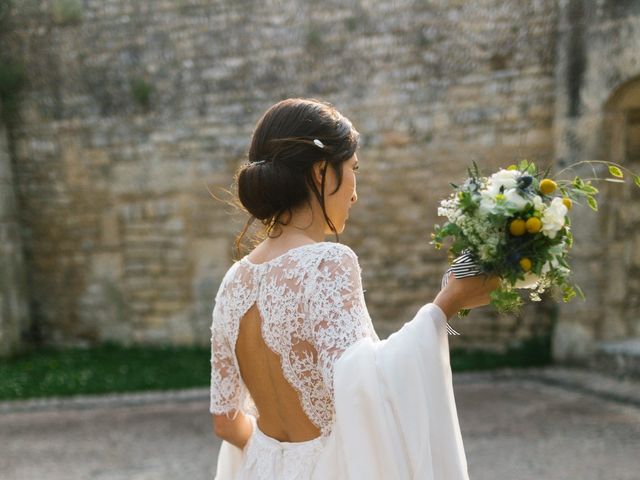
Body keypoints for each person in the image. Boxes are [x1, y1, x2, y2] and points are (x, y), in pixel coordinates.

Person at [209, 98, 500, 479]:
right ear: (320, 173)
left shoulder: (234, 281)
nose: (355, 193)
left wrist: (280, 462)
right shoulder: (328, 263)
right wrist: (445, 305)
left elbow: (226, 423)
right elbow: (364, 394)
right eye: (353, 170)